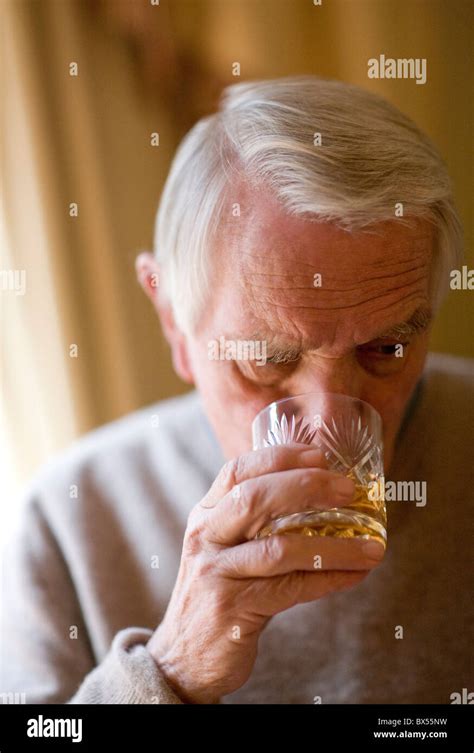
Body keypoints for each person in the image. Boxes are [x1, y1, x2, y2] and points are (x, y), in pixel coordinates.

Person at [1, 76, 473, 705]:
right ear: (173, 318)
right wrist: (168, 672)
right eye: (268, 360)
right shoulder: (70, 521)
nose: (327, 423)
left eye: (386, 349)